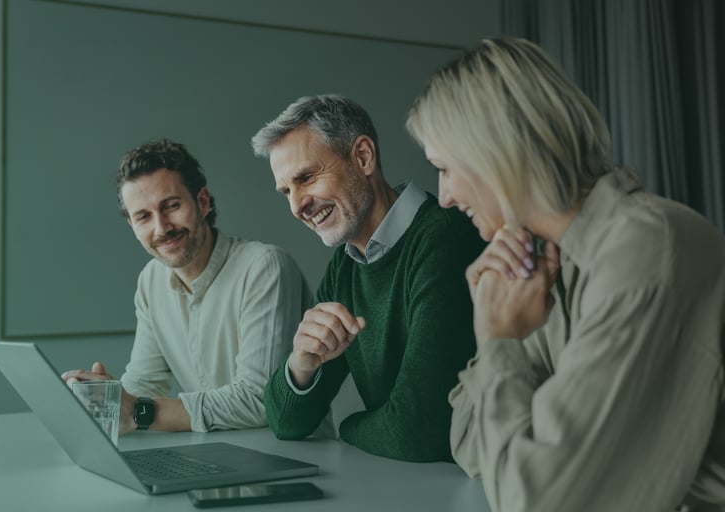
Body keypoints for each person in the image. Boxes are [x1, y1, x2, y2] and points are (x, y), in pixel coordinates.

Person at [406, 37, 725, 511]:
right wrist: (505, 335)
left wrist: (497, 339)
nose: (445, 197)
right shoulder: (549, 262)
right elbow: (471, 442)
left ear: (497, 152)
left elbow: (535, 500)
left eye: (444, 168)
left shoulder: (646, 251)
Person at [250, 94, 485, 462]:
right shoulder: (345, 267)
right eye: (286, 191)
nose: (297, 206)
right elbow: (285, 422)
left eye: (307, 178)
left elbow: (418, 433)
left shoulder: (443, 238)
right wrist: (301, 364)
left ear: (363, 157)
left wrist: (349, 426)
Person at [62, 139, 311, 434]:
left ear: (202, 202)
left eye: (171, 206)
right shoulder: (150, 280)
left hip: (291, 458)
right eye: (143, 217)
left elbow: (259, 401)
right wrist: (104, 398)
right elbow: (145, 384)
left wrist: (137, 411)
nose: (161, 228)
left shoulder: (265, 267)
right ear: (132, 226)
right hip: (220, 458)